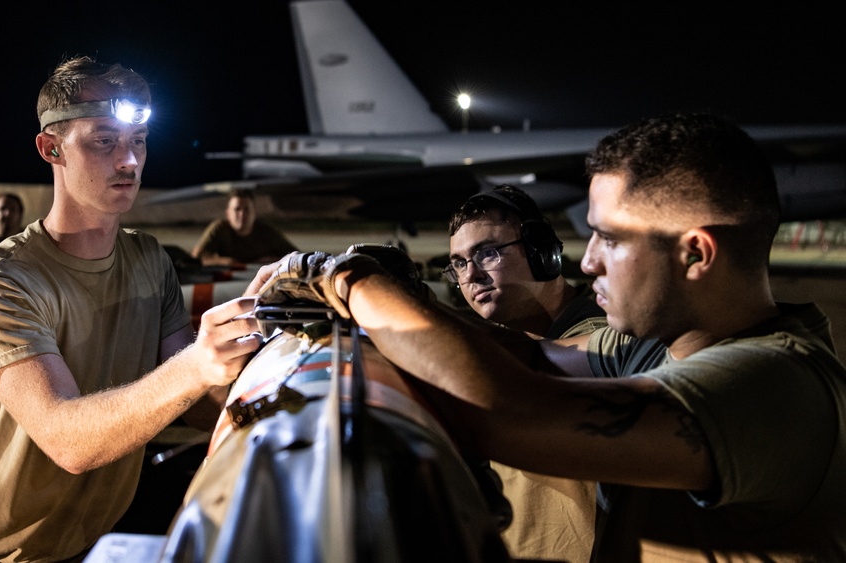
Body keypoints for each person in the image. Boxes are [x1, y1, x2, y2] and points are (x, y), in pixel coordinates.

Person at [255, 113, 846, 560]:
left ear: (695, 252)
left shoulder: (769, 386)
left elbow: (509, 411)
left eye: (610, 239)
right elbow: (525, 357)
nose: (586, 262)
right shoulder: (673, 344)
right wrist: (405, 296)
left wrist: (342, 278)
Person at [0, 56, 262, 563]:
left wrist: (269, 360)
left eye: (139, 142)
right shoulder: (2, 282)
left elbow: (197, 401)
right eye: (104, 140)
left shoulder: (148, 259)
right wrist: (197, 363)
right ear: (50, 147)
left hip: (87, 547)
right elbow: (69, 442)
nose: (129, 160)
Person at [447, 185, 605, 562]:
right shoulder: (502, 339)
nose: (471, 276)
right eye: (458, 263)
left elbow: (520, 363)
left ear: (542, 251)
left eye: (487, 254)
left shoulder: (606, 337)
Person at [191, 189, 298, 266]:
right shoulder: (219, 229)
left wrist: (273, 261)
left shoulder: (267, 232)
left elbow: (296, 257)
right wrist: (225, 262)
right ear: (228, 214)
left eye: (246, 209)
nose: (242, 214)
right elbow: (195, 258)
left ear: (254, 213)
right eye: (237, 209)